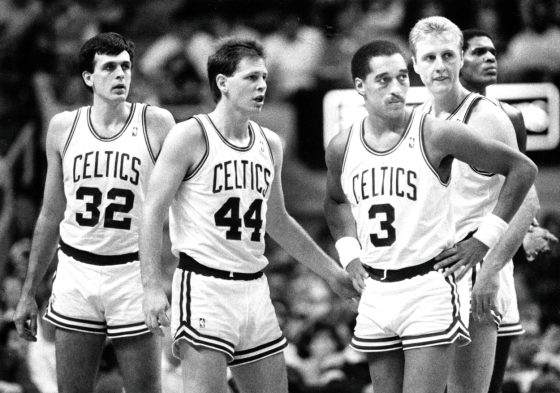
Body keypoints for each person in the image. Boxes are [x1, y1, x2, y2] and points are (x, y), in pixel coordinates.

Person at [140, 37, 356, 393]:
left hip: (255, 287)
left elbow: (279, 221)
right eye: (251, 77)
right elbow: (152, 212)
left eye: (265, 78)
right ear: (223, 83)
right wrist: (150, 285)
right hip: (205, 285)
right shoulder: (190, 135)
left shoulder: (270, 143)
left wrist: (332, 273)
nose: (261, 86)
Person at [324, 39, 536, 393]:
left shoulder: (435, 132)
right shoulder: (342, 145)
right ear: (360, 86)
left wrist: (482, 242)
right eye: (383, 80)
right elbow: (334, 202)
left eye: (402, 78)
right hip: (376, 290)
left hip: (428, 286)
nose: (396, 89)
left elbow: (522, 170)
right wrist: (349, 257)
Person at [12, 32, 176, 393]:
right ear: (88, 77)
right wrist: (28, 293)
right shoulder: (63, 127)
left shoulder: (157, 123)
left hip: (134, 272)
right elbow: (50, 214)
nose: (121, 75)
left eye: (126, 67)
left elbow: (181, 201)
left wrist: (168, 276)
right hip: (77, 271)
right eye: (110, 67)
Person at [409, 16, 540, 393]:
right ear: (415, 65)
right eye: (429, 57)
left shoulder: (488, 117)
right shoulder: (418, 119)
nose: (439, 65)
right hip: (432, 272)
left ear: (458, 57)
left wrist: (490, 265)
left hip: (476, 268)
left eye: (448, 55)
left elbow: (526, 197)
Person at [459, 28, 559, 393]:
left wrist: (529, 228)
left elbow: (517, 187)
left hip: (492, 259)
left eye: (492, 51)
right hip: (447, 259)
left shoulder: (511, 118)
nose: (490, 58)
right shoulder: (432, 120)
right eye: (478, 52)